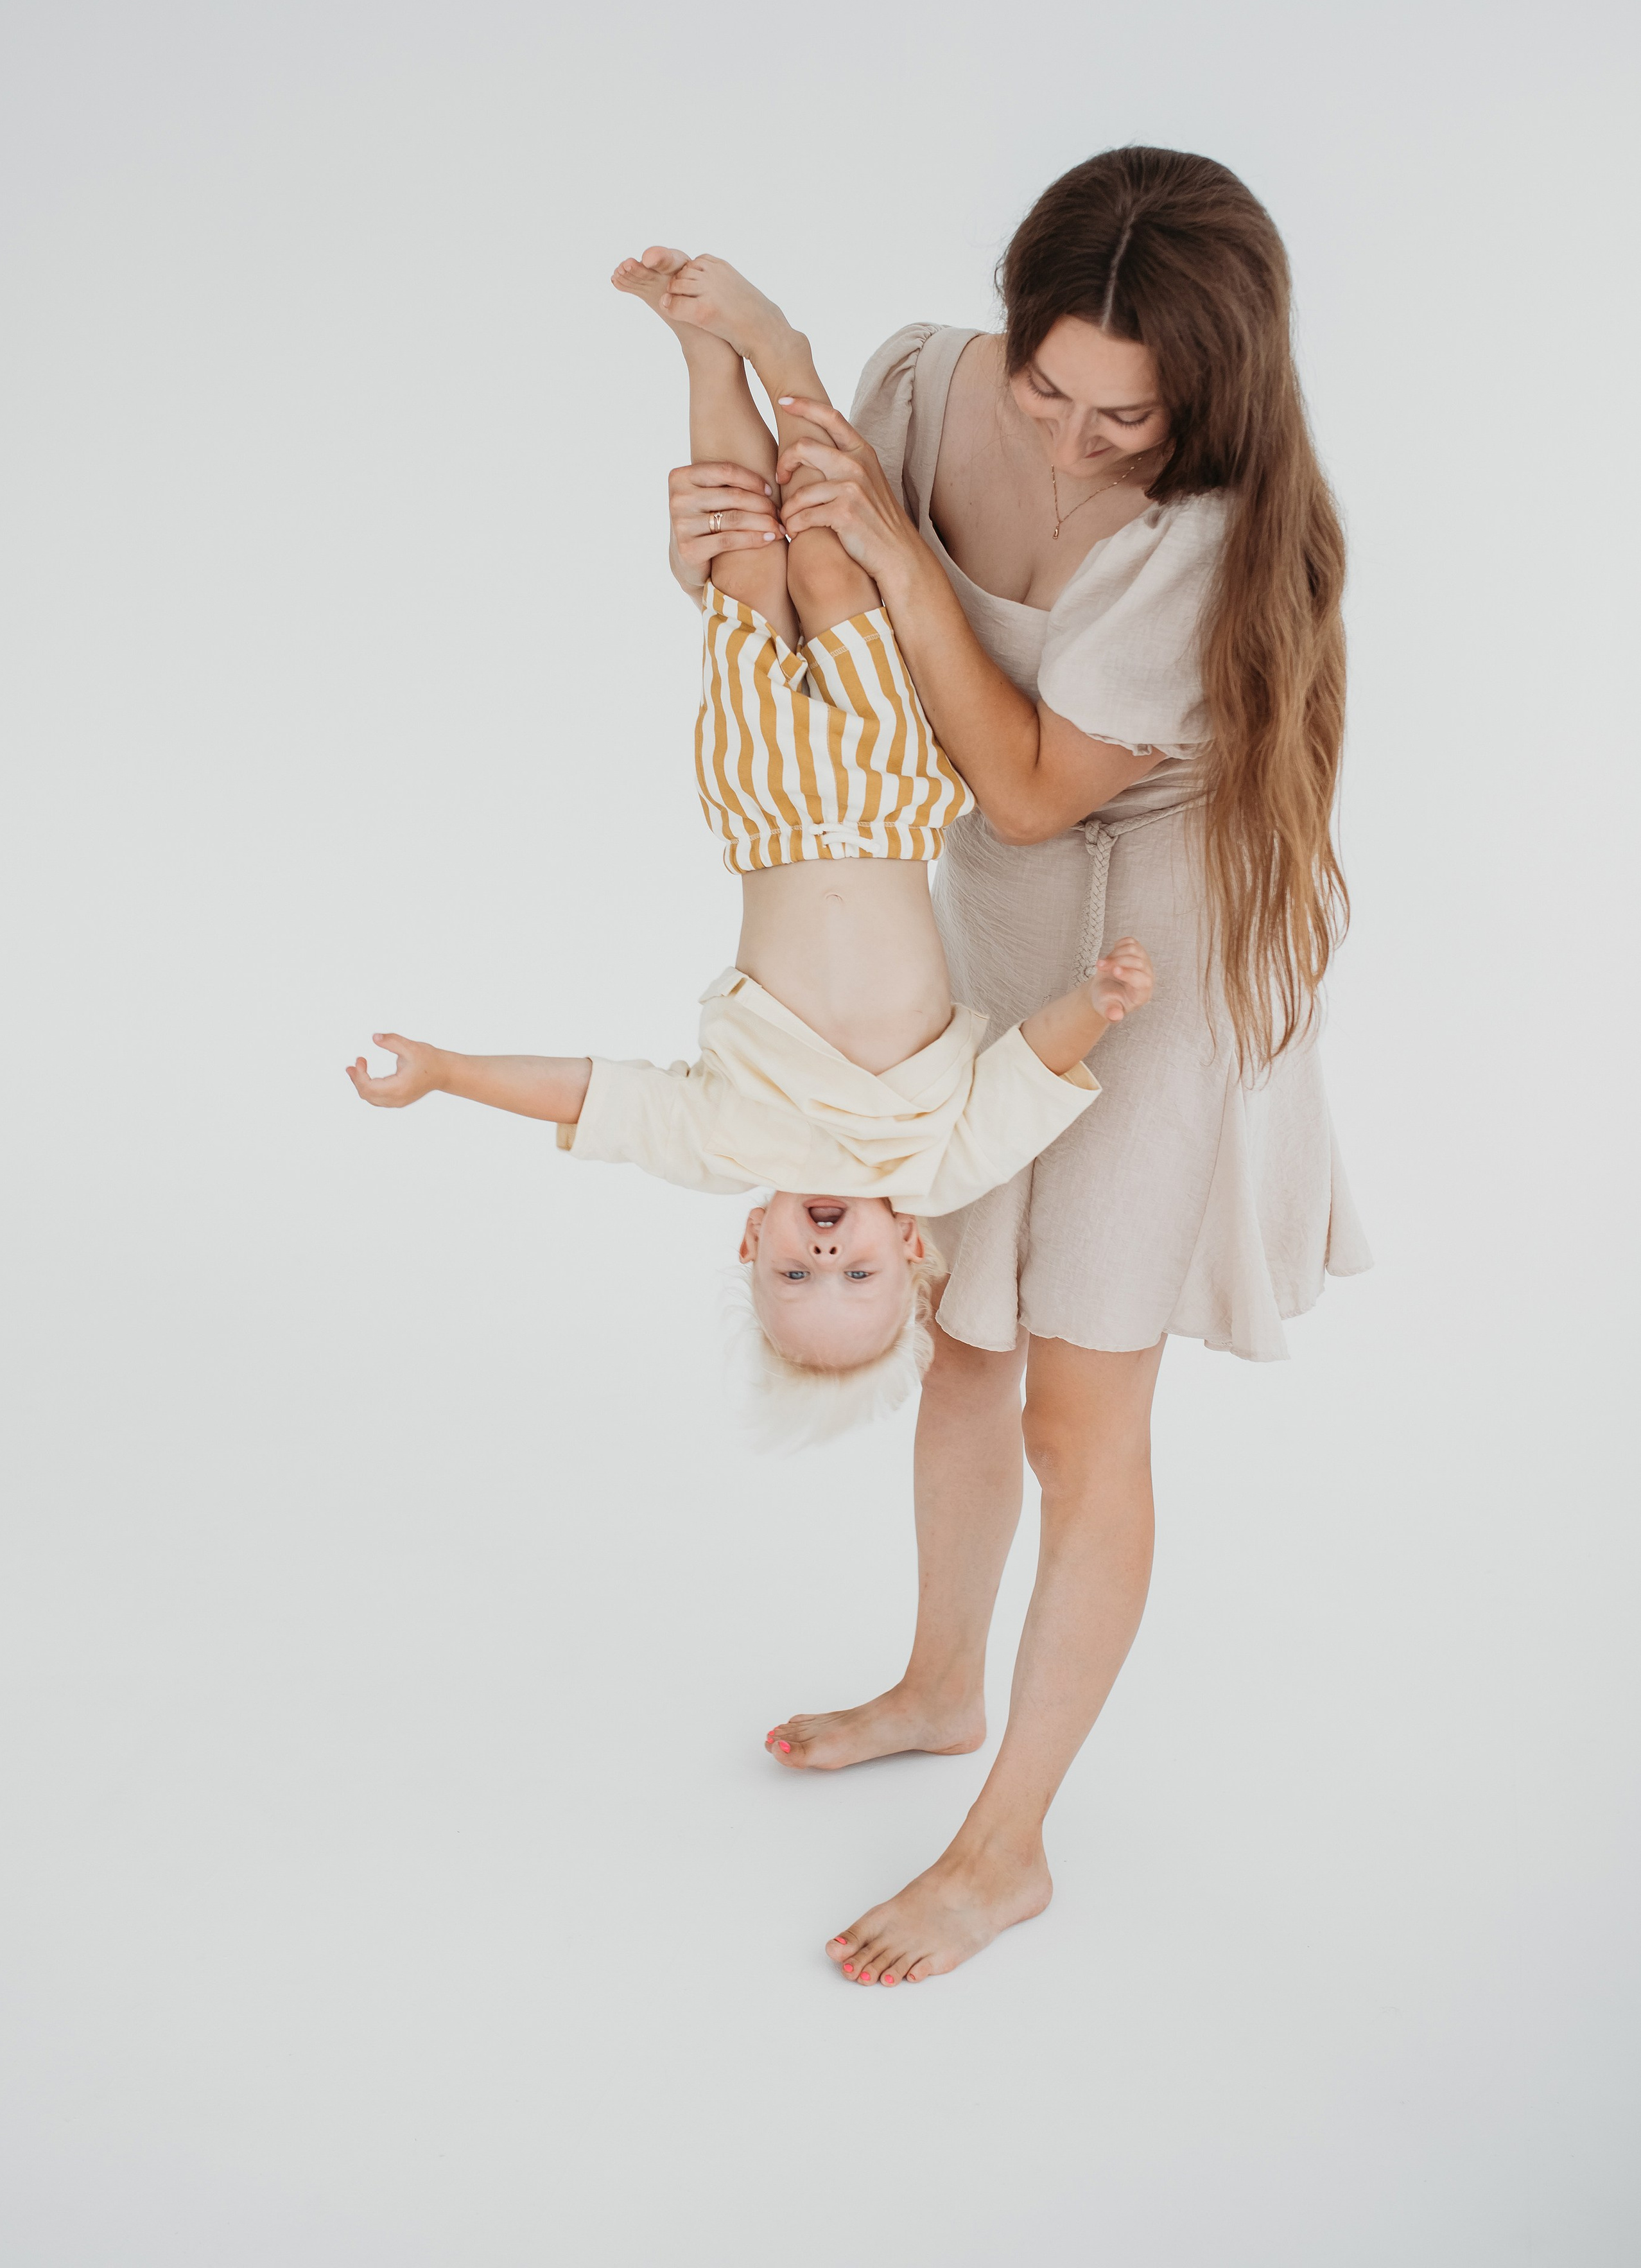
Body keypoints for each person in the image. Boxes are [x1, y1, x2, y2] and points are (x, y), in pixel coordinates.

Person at [662, 146, 1371, 1987]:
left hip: (1155, 957)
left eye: (1121, 419)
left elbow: (1036, 780)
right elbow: (814, 616)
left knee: (1080, 1411)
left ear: (1205, 399)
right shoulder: (927, 380)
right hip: (984, 922)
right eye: (1046, 389)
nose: (1065, 444)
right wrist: (727, 549)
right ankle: (939, 1682)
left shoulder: (1204, 528)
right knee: (960, 1340)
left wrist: (895, 556)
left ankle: (1008, 1851)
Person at [345, 250, 1154, 1442]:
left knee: (746, 557)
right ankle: (788, 360)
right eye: (857, 1278)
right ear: (912, 1255)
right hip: (888, 792)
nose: (826, 1253)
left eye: (794, 1275)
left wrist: (450, 1072)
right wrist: (1097, 999)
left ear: (750, 1239)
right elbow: (1033, 1070)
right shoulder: (939, 1167)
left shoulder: (721, 1144)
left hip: (765, 799)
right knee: (828, 558)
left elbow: (585, 1092)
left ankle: (699, 351)